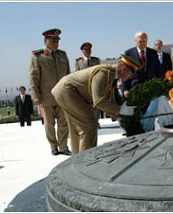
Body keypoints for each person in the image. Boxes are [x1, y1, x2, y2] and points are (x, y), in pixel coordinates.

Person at [51, 55, 140, 154]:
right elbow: (98, 101)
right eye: (131, 74)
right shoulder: (103, 72)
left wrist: (118, 114)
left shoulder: (110, 75)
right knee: (89, 126)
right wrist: (121, 110)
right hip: (67, 91)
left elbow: (108, 99)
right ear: (124, 69)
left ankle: (77, 159)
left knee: (77, 128)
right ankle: (86, 161)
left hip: (67, 91)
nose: (130, 77)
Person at [29, 28, 71, 156]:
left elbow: (68, 75)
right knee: (49, 124)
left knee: (64, 123)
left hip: (62, 96)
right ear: (46, 41)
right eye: (53, 40)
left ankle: (63, 147)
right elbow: (33, 77)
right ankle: (53, 146)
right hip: (46, 97)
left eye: (57, 40)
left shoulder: (62, 55)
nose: (56, 43)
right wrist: (35, 95)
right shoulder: (38, 56)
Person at [122, 31, 161, 97]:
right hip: (134, 89)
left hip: (150, 89)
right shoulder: (129, 53)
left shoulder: (153, 53)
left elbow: (158, 71)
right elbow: (125, 73)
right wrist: (125, 89)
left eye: (144, 41)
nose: (143, 43)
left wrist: (160, 86)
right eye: (140, 41)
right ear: (135, 41)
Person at [75, 42, 102, 127]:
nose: (88, 51)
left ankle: (96, 122)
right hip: (84, 86)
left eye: (89, 49)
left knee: (96, 104)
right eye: (86, 49)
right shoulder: (78, 62)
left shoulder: (96, 60)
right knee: (85, 105)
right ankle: (88, 122)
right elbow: (77, 74)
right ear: (82, 51)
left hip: (95, 85)